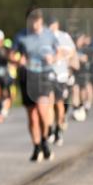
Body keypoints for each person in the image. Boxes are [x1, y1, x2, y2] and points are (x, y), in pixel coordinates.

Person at [12, 10, 57, 161]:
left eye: (37, 21)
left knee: (42, 110)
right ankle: (36, 146)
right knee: (32, 116)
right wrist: (18, 60)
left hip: (44, 75)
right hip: (27, 76)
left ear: (41, 20)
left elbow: (62, 52)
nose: (35, 24)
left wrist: (54, 57)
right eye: (32, 21)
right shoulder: (20, 36)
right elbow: (12, 54)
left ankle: (44, 140)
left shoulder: (49, 35)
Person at [48, 17, 78, 146]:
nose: (51, 27)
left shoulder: (64, 36)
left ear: (57, 24)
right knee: (49, 103)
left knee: (59, 104)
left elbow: (72, 52)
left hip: (61, 75)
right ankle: (49, 129)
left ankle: (58, 130)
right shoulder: (44, 37)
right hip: (48, 75)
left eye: (53, 24)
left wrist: (63, 56)